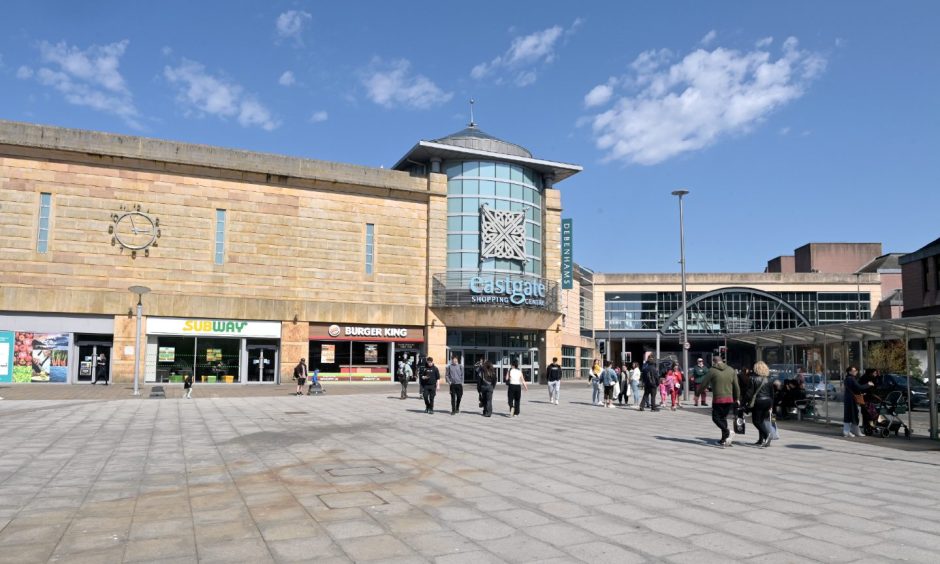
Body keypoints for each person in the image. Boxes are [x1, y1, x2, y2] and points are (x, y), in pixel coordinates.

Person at [696, 355, 740, 447]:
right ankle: (724, 440)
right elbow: (736, 386)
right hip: (729, 399)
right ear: (722, 361)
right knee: (723, 418)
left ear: (714, 362)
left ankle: (727, 431)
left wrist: (697, 394)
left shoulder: (712, 370)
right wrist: (737, 398)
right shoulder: (731, 370)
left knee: (715, 418)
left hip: (718, 399)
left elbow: (704, 383)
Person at [745, 361, 774, 447]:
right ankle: (761, 440)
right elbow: (772, 393)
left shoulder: (753, 378)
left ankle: (766, 435)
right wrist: (772, 405)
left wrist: (744, 402)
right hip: (768, 401)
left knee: (756, 421)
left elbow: (749, 393)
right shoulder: (769, 379)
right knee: (761, 421)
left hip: (758, 401)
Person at [843, 365, 872, 437]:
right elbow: (859, 387)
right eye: (854, 371)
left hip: (848, 398)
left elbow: (855, 388)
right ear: (849, 372)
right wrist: (868, 384)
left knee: (851, 414)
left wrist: (860, 392)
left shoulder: (847, 378)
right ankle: (847, 432)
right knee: (853, 414)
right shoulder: (851, 379)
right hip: (851, 399)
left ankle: (852, 431)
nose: (856, 372)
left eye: (856, 370)